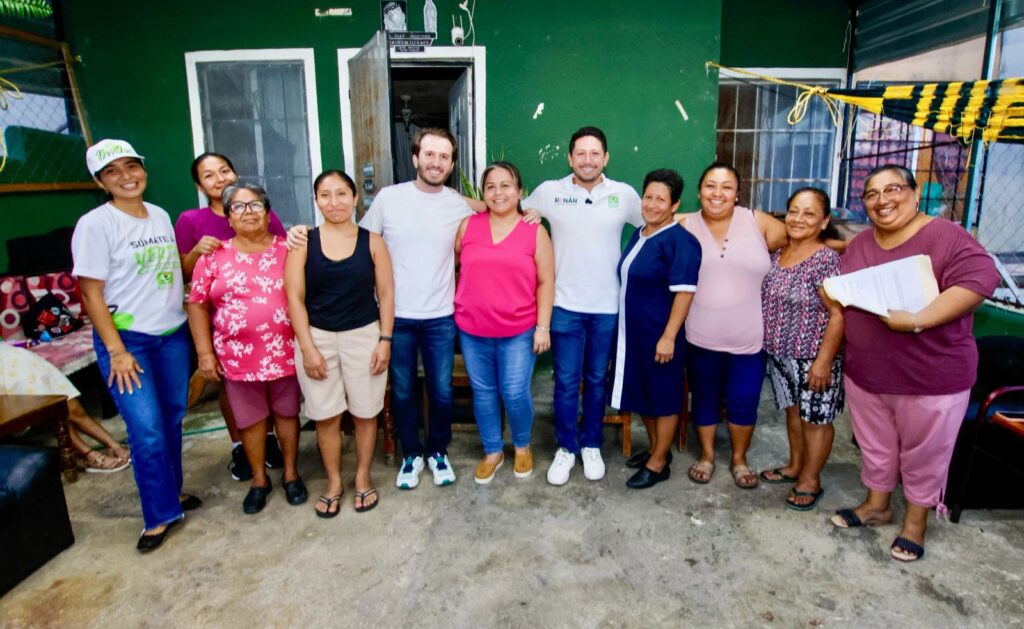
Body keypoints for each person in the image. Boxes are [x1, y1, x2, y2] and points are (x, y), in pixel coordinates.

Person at [829, 164, 998, 562]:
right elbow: (847, 292)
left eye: (892, 190)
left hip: (930, 377)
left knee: (925, 454)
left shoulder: (945, 236)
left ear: (914, 192)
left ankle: (916, 522)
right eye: (872, 194)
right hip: (867, 373)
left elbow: (979, 280)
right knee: (876, 447)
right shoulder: (862, 244)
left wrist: (919, 319)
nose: (882, 200)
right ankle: (877, 505)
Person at [288, 128, 474, 489]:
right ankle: (410, 456)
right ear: (416, 158)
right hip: (394, 318)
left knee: (441, 390)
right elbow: (352, 241)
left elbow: (494, 206)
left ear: (451, 164)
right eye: (430, 154)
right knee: (401, 390)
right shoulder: (389, 199)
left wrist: (525, 209)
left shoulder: (458, 203)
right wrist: (299, 233)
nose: (436, 162)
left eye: (444, 157)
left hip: (440, 316)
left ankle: (437, 452)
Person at [72, 138, 200, 552]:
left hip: (172, 335)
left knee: (173, 418)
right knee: (145, 429)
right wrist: (117, 350)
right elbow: (91, 294)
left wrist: (196, 255)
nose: (127, 177)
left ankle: (172, 493)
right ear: (100, 181)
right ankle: (158, 515)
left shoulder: (160, 215)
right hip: (129, 342)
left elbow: (169, 271)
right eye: (113, 172)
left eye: (132, 166)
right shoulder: (96, 225)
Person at [520, 126, 643, 486]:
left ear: (606, 158)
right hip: (564, 306)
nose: (587, 160)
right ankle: (566, 448)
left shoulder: (624, 194)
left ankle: (591, 443)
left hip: (607, 306)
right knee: (566, 381)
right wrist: (530, 216)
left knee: (595, 379)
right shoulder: (549, 192)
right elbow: (513, 215)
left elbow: (654, 225)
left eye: (595, 153)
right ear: (570, 157)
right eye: (581, 153)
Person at [187, 183, 305, 515]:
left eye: (255, 205)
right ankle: (259, 480)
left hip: (285, 350)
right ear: (228, 217)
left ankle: (292, 474)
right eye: (238, 207)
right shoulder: (213, 256)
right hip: (237, 356)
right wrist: (204, 354)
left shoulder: (290, 249)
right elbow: (197, 305)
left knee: (287, 413)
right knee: (251, 420)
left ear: (268, 212)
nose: (248, 212)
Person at [286, 170, 394, 516]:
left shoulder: (373, 241)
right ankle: (334, 481)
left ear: (355, 198)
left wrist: (384, 340)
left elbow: (387, 294)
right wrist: (308, 348)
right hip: (317, 336)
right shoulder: (303, 243)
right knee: (326, 415)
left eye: (342, 194)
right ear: (316, 200)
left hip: (364, 335)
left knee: (365, 412)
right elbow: (294, 297)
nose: (335, 202)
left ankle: (363, 477)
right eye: (326, 195)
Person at [175, 152, 288, 482]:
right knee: (232, 386)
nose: (219, 178)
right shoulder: (190, 221)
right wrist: (198, 251)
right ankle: (239, 444)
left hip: (268, 324)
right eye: (209, 175)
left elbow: (282, 249)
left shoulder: (258, 210)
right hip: (220, 317)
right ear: (199, 184)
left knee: (270, 388)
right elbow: (183, 271)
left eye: (224, 170)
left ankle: (268, 442)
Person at [681, 162, 787, 489]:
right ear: (699, 192)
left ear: (737, 193)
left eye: (726, 187)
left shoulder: (757, 222)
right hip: (699, 337)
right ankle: (707, 456)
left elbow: (801, 241)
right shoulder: (685, 226)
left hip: (748, 340)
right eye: (710, 185)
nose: (718, 193)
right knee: (704, 398)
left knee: (744, 399)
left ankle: (739, 459)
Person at [454, 161, 555, 484]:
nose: (498, 193)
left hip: (519, 330)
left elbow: (546, 282)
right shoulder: (467, 227)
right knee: (483, 393)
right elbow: (457, 267)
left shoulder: (535, 231)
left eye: (506, 185)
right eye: (491, 186)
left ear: (519, 191)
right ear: (483, 194)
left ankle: (522, 446)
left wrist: (543, 326)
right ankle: (493, 451)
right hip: (472, 329)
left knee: (513, 392)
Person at [610, 169, 701, 489]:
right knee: (644, 394)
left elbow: (685, 292)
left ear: (675, 205)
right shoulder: (640, 233)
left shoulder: (681, 241)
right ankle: (655, 448)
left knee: (662, 397)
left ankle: (659, 462)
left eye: (660, 199)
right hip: (634, 335)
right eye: (647, 197)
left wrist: (668, 337)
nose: (651, 204)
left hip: (660, 335)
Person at [758, 188, 845, 511]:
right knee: (793, 412)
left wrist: (823, 363)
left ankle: (811, 478)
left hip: (813, 356)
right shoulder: (778, 254)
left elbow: (838, 314)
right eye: (794, 211)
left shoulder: (824, 260)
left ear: (824, 221)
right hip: (780, 354)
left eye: (809, 214)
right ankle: (795, 465)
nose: (798, 219)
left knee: (816, 419)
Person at [1, 341, 131, 473]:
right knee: (54, 414)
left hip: (19, 360)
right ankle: (88, 455)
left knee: (73, 408)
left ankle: (113, 445)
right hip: (5, 375)